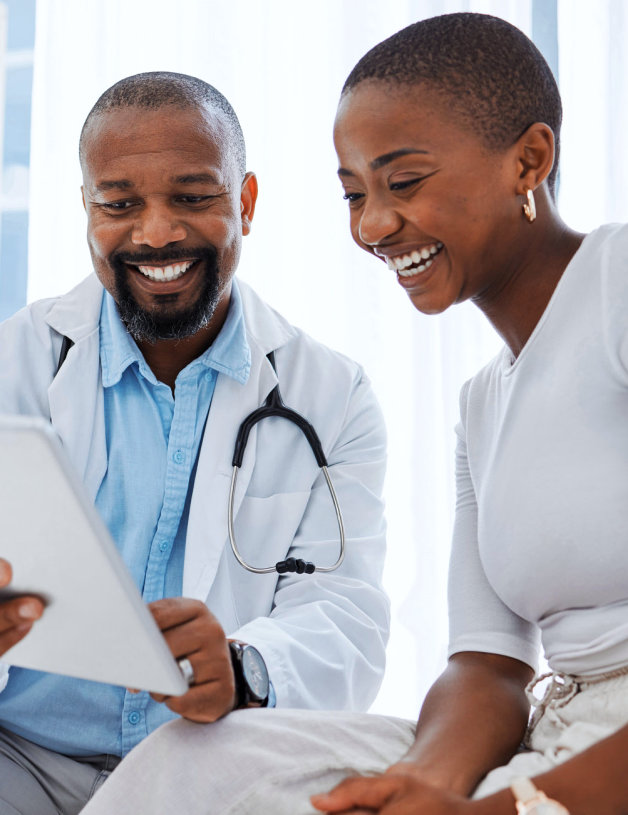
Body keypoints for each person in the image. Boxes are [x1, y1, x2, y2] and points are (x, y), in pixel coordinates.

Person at [81, 12, 628, 815]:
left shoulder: (616, 288)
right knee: (208, 760)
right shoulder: (483, 403)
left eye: (403, 182)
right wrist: (426, 783)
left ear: (529, 160)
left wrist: (498, 809)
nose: (372, 226)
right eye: (354, 194)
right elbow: (488, 663)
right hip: (557, 733)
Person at [0, 71, 391, 814]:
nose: (155, 233)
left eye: (191, 197)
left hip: (206, 768)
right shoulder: (15, 362)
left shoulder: (332, 395)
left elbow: (348, 611)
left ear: (244, 202)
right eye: (120, 204)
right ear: (86, 210)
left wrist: (247, 667)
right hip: (18, 752)